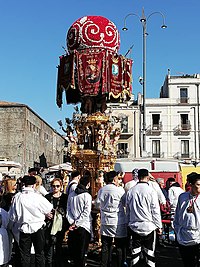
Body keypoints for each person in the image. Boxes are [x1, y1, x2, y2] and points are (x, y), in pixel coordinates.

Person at [9, 175, 53, 267]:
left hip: (24, 227)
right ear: (33, 185)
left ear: (23, 184)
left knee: (25, 255)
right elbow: (49, 207)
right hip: (37, 227)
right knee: (39, 253)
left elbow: (12, 216)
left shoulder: (17, 197)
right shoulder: (37, 197)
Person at [126, 168, 162, 267]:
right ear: (147, 177)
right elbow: (155, 210)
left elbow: (128, 210)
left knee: (135, 253)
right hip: (149, 226)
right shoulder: (151, 191)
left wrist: (127, 223)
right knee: (150, 253)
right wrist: (159, 226)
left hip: (134, 225)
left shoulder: (131, 191)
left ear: (138, 177)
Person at [95, 171, 127, 267]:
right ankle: (120, 264)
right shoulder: (120, 190)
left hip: (105, 221)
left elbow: (97, 204)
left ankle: (105, 264)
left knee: (106, 246)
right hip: (118, 221)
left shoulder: (102, 190)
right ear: (114, 179)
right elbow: (125, 203)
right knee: (119, 247)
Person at [173, 172, 200, 267]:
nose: (199, 187)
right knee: (188, 263)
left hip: (198, 237)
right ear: (191, 185)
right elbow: (177, 216)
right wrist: (177, 230)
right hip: (184, 236)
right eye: (198, 185)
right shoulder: (183, 197)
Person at [66, 175, 93, 267]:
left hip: (73, 225)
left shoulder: (71, 194)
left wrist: (72, 222)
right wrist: (77, 223)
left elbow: (68, 210)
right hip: (83, 225)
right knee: (82, 251)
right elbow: (86, 212)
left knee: (75, 250)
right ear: (88, 184)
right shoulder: (87, 196)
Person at [44, 178, 68, 267]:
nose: (55, 188)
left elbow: (67, 209)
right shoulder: (47, 196)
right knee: (49, 244)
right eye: (53, 186)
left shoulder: (65, 197)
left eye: (57, 186)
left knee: (59, 244)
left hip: (60, 224)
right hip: (49, 224)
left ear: (61, 186)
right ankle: (49, 263)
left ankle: (58, 262)